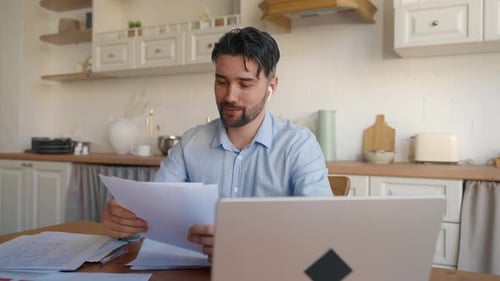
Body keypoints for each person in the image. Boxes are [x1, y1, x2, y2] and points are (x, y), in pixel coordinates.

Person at [102, 26, 332, 261]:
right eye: (222, 82)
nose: (230, 96)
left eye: (244, 84)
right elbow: (153, 217)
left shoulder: (299, 146)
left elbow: (322, 231)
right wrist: (126, 225)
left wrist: (246, 240)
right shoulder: (190, 143)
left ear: (271, 87)